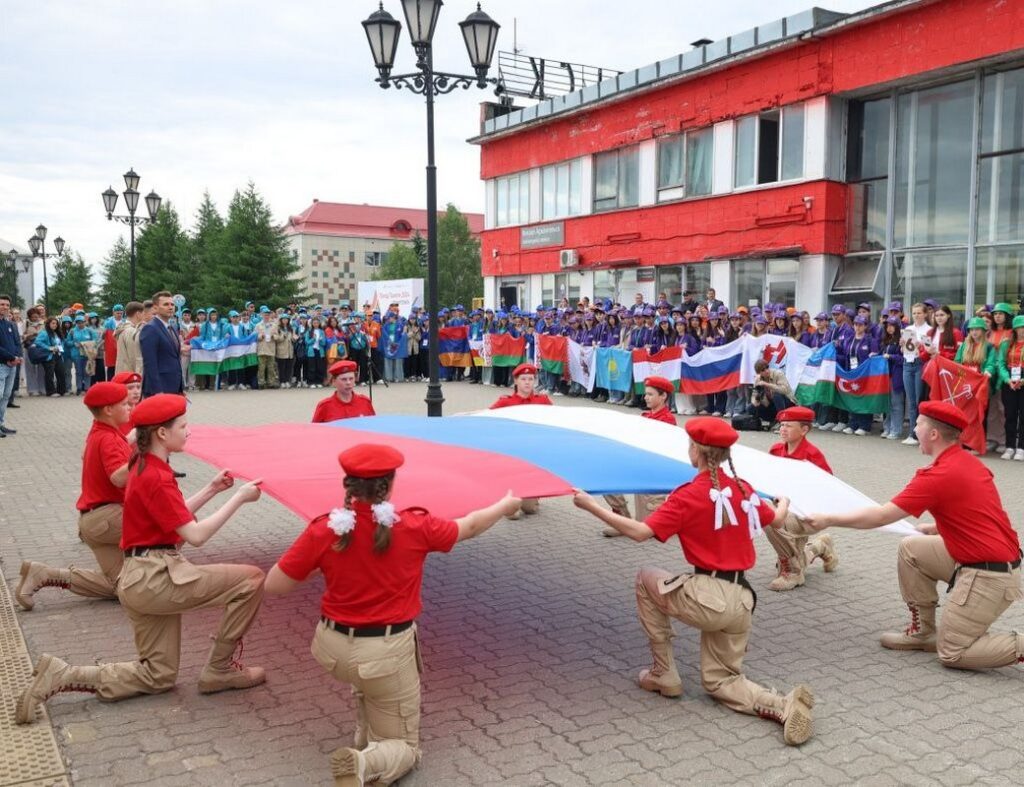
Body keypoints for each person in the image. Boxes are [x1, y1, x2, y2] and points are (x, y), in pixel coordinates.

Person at [263, 444, 519, 785]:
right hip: (383, 652)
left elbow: (274, 585)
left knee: (368, 680)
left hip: (332, 648)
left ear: (348, 484)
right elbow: (469, 526)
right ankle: (364, 763)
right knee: (406, 747)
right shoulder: (414, 526)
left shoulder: (326, 530)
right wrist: (504, 505)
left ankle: (366, 735)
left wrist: (324, 564)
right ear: (390, 483)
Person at [16, 394, 267, 725]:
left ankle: (62, 675)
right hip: (155, 578)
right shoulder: (157, 476)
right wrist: (238, 498)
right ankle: (219, 670)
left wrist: (211, 489)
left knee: (158, 675)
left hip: (139, 580)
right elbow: (195, 535)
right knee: (250, 579)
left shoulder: (143, 465)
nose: (188, 432)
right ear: (162, 433)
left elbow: (173, 519)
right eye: (183, 426)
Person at [572, 417, 814, 746]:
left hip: (708, 596)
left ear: (696, 452)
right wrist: (783, 502)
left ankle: (664, 673)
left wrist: (591, 506)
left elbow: (640, 532)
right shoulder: (743, 488)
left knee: (646, 579)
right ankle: (782, 704)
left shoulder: (688, 494)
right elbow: (779, 518)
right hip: (742, 599)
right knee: (722, 681)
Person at [804, 401, 1022, 669]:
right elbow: (981, 515)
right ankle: (924, 633)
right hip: (985, 560)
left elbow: (881, 516)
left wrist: (829, 519)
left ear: (933, 434)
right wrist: (938, 527)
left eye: (918, 424)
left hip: (990, 575)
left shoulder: (937, 475)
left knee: (952, 653)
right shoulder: (968, 462)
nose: (914, 428)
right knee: (912, 549)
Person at [15, 382, 133, 609]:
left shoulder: (100, 431)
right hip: (109, 517)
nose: (130, 408)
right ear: (109, 410)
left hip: (96, 521)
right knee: (171, 527)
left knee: (119, 586)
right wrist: (146, 455)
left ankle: (45, 574)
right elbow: (118, 478)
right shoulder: (108, 438)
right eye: (125, 404)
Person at [762, 406, 839, 591]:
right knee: (768, 516)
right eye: (781, 425)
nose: (782, 429)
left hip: (808, 513)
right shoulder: (776, 450)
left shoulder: (812, 455)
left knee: (771, 521)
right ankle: (820, 546)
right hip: (785, 509)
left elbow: (829, 487)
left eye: (788, 425)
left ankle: (793, 573)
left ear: (804, 430)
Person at [603, 376, 676, 537]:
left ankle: (667, 518)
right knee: (604, 475)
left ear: (663, 396)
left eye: (650, 394)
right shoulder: (645, 417)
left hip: (653, 473)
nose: (645, 398)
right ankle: (621, 518)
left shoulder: (667, 420)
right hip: (639, 466)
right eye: (645, 394)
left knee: (647, 529)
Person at [490, 363, 551, 519]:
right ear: (516, 381)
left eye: (531, 379)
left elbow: (556, 419)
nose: (527, 382)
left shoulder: (542, 400)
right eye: (523, 379)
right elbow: (486, 416)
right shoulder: (506, 402)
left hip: (534, 453)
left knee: (530, 510)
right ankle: (509, 499)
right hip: (513, 453)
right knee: (512, 513)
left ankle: (532, 496)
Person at [995, 315, 1024, 461]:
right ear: (1014, 329)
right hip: (1010, 380)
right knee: (1010, 415)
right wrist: (1007, 379)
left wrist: (1022, 380)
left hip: (1023, 380)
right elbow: (1000, 363)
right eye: (1019, 327)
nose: (1022, 330)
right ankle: (1010, 446)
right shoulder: (1006, 343)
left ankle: (1021, 448)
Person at [312, 360, 377, 423]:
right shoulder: (325, 406)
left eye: (351, 379)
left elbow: (373, 428)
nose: (348, 383)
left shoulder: (365, 402)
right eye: (344, 379)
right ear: (334, 382)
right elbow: (314, 431)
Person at [0, 293, 22, 437]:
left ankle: (1, 423)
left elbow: (17, 343)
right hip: (1, 364)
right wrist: (10, 357)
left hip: (12, 365)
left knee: (6, 395)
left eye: (7, 305)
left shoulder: (11, 324)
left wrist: (18, 356)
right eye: (2, 304)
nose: (5, 307)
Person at [750, 359, 795, 424]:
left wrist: (767, 384)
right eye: (763, 370)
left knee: (776, 395)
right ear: (759, 373)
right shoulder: (758, 380)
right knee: (750, 408)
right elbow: (754, 401)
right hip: (773, 406)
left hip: (787, 403)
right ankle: (773, 420)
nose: (766, 371)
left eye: (767, 367)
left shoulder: (778, 374)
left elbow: (784, 390)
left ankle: (782, 421)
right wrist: (757, 392)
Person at [115, 302, 145, 375]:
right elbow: (135, 358)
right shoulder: (131, 332)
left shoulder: (123, 328)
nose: (144, 316)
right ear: (138, 314)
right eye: (143, 313)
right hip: (130, 376)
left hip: (122, 373)